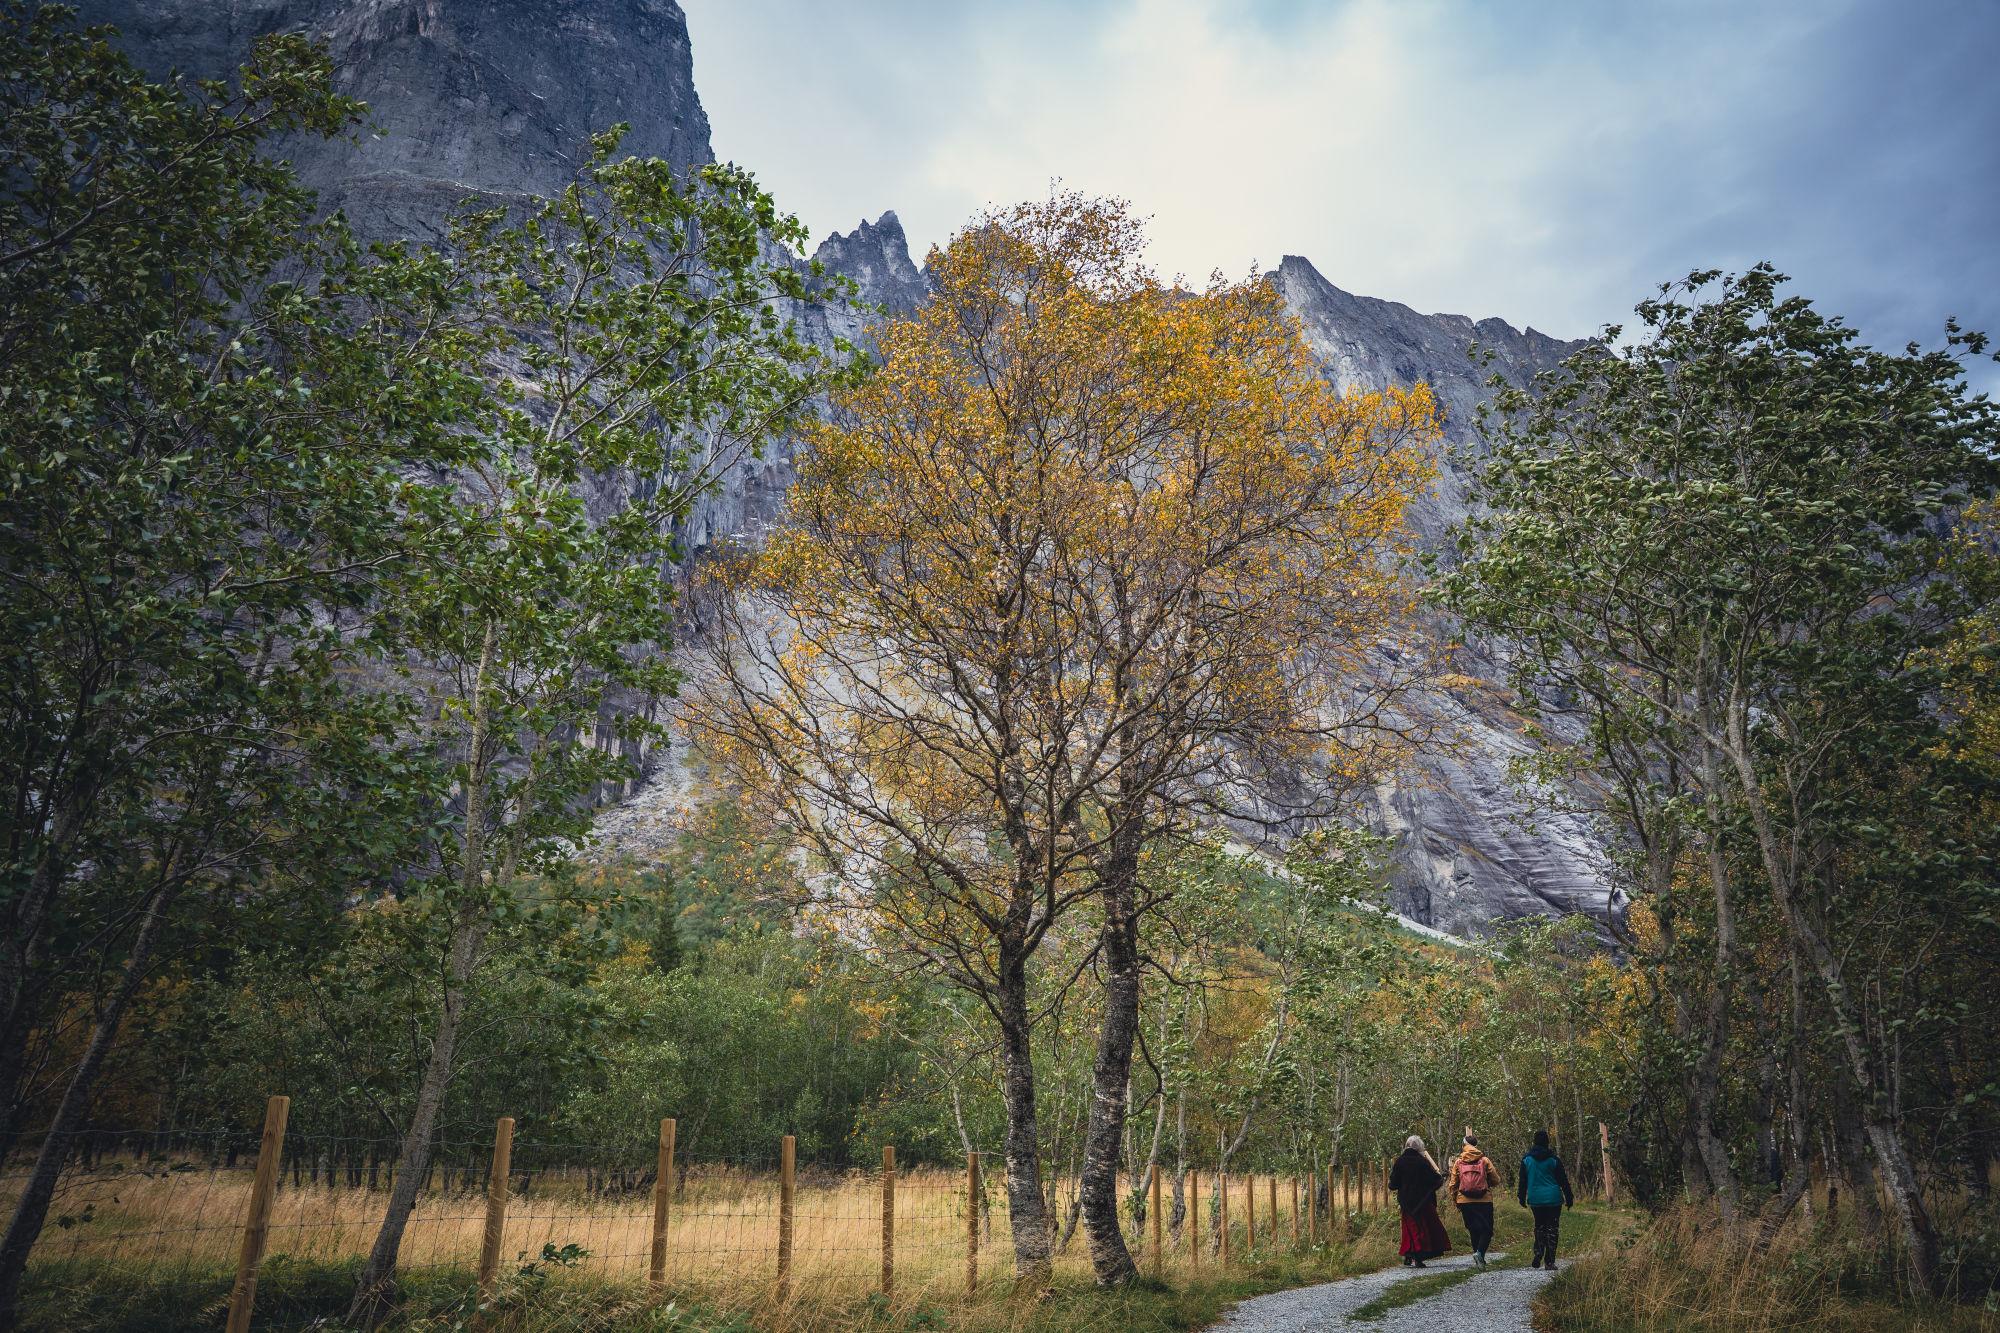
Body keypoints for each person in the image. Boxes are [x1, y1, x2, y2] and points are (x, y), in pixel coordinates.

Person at [1388, 1134, 1451, 1267]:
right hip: (1423, 1201)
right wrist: (1438, 1179)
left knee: (1409, 1229)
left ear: (1407, 1146)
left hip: (1406, 1202)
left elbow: (1393, 1184)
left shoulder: (1399, 1162)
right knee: (1423, 1228)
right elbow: (1435, 1181)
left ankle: (1408, 1254)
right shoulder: (1422, 1162)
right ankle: (1418, 1257)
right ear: (1419, 1147)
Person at [1518, 1128, 1575, 1269]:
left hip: (1535, 1199)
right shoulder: (1554, 1160)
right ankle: (1549, 1261)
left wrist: (1521, 1197)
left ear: (1534, 1142)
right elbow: (1563, 1180)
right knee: (1553, 1228)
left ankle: (1538, 1251)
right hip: (1553, 1199)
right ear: (1547, 1142)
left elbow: (1522, 1181)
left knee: (1539, 1226)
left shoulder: (1526, 1160)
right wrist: (1569, 1197)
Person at [1448, 1133, 1499, 1267]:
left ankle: (1478, 1257)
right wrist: (1486, 1183)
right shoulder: (1484, 1160)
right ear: (1476, 1146)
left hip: (1464, 1201)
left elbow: (1453, 1184)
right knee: (1487, 1230)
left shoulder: (1458, 1162)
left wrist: (1456, 1200)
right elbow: (1495, 1180)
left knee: (1473, 1229)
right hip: (1484, 1200)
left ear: (1464, 1146)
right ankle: (1480, 1254)